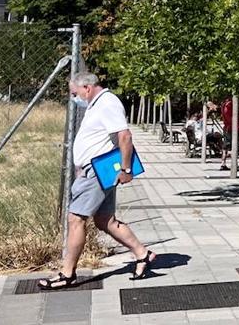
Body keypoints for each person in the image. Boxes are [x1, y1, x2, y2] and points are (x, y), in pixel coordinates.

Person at [38, 72, 156, 290]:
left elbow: (125, 136)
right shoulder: (97, 104)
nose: (74, 97)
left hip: (97, 172)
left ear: (87, 88)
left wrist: (126, 168)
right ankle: (143, 254)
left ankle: (67, 273)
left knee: (76, 219)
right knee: (104, 220)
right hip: (96, 171)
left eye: (75, 93)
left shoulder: (107, 103)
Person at [219, 97, 239, 171]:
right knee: (233, 146)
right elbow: (229, 117)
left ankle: (224, 163)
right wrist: (238, 117)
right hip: (232, 128)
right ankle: (234, 163)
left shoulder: (224, 104)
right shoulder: (229, 105)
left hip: (229, 127)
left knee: (226, 146)